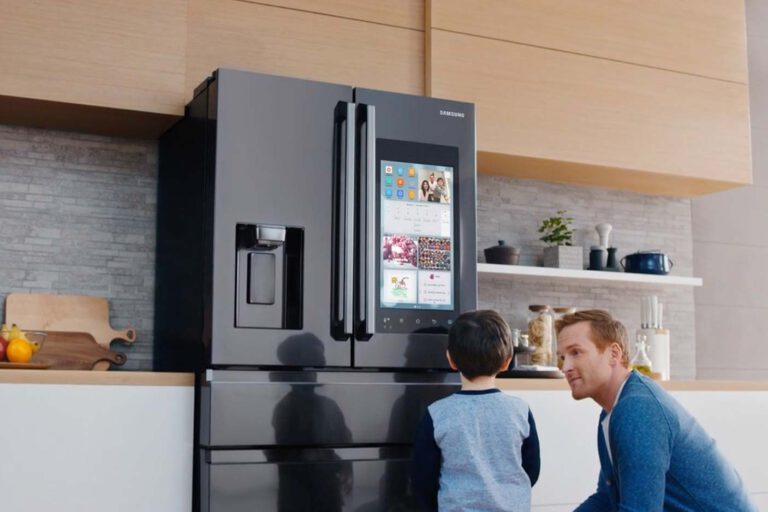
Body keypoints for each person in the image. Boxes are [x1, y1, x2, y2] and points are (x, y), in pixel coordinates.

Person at [555, 309, 757, 511]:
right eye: (562, 358)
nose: (565, 368)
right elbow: (606, 499)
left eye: (576, 353)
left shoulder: (637, 410)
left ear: (613, 354)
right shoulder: (613, 411)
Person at [412, 309, 540, 512]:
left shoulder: (436, 414)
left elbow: (423, 478)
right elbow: (532, 470)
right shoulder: (520, 410)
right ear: (507, 361)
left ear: (451, 360)